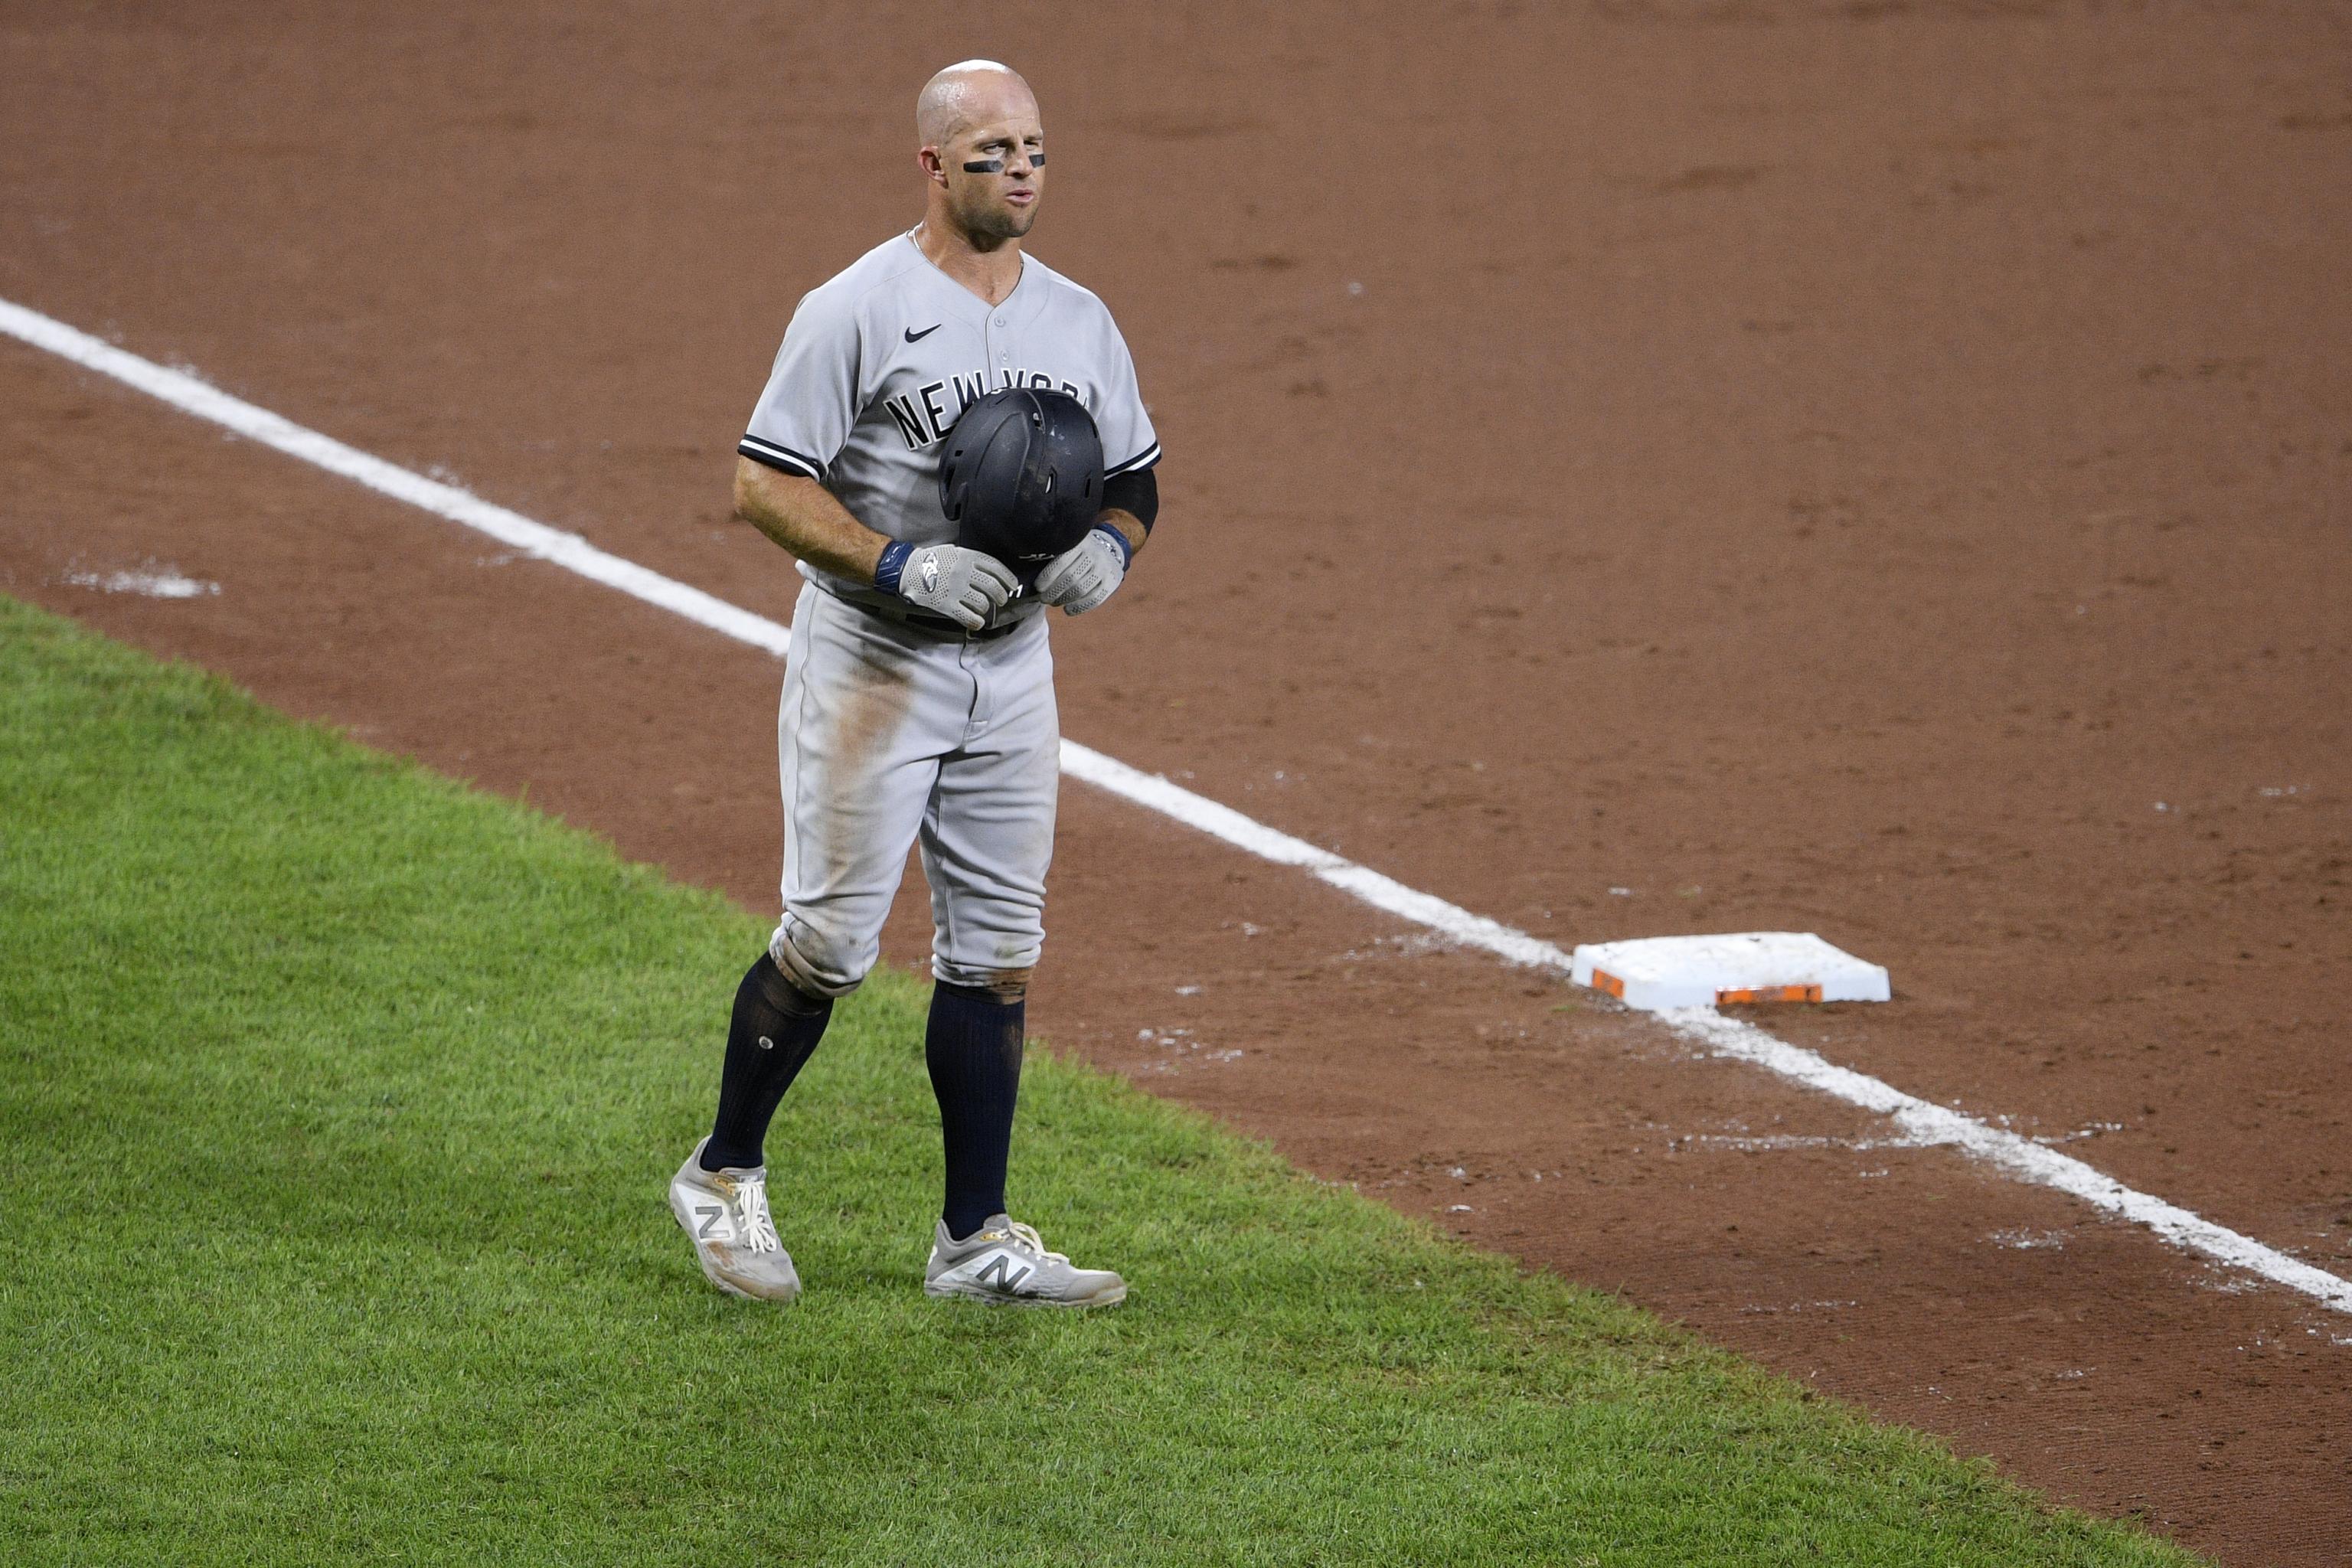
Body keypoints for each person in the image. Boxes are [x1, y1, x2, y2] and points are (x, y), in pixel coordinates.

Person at [667, 60, 1161, 1308]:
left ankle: (974, 1238)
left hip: (1011, 667)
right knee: (831, 943)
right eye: (993, 150)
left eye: (1037, 148)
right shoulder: (856, 308)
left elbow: (1136, 480)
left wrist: (1110, 545)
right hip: (874, 658)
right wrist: (896, 559)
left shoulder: (1078, 318)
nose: (1022, 171)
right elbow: (762, 483)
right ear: (932, 165)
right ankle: (723, 1175)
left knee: (998, 955)